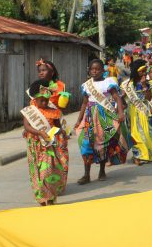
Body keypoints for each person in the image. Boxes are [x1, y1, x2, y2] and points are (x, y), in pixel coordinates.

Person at [74, 59, 128, 185]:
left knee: (101, 144)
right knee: (85, 143)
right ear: (89, 70)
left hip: (104, 117)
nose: (94, 71)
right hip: (89, 117)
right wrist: (78, 120)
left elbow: (117, 98)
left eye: (97, 69)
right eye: (92, 69)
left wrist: (120, 113)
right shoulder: (87, 85)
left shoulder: (108, 82)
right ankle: (86, 174)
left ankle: (102, 170)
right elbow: (84, 103)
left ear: (103, 71)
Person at [23, 63, 69, 205]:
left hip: (48, 146)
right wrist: (39, 132)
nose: (44, 102)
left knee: (47, 171)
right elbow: (27, 126)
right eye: (41, 99)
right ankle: (43, 198)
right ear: (34, 99)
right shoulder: (30, 110)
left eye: (46, 100)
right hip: (35, 144)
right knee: (36, 173)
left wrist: (61, 131)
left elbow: (57, 126)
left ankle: (50, 196)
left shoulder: (53, 111)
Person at [122, 60, 152, 165]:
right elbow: (121, 97)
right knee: (135, 134)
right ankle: (137, 156)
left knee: (146, 134)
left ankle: (147, 155)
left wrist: (145, 85)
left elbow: (149, 98)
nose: (144, 73)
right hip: (132, 112)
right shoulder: (127, 84)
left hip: (144, 111)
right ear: (136, 71)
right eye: (142, 71)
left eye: (145, 71)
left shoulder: (146, 83)